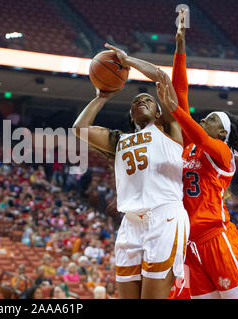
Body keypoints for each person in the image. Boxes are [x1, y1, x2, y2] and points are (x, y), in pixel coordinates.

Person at [72, 42, 189, 299]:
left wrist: (129, 61)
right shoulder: (120, 140)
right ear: (130, 115)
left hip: (164, 215)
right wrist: (101, 97)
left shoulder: (168, 128)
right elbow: (79, 129)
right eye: (136, 102)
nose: (142, 101)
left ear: (159, 112)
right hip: (130, 222)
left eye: (148, 100)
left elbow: (162, 78)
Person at [162, 9, 238, 299]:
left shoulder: (223, 153)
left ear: (222, 133)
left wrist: (175, 110)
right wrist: (180, 48)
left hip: (215, 237)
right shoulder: (192, 146)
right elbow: (181, 94)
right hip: (188, 242)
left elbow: (191, 123)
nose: (204, 119)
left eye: (212, 118)